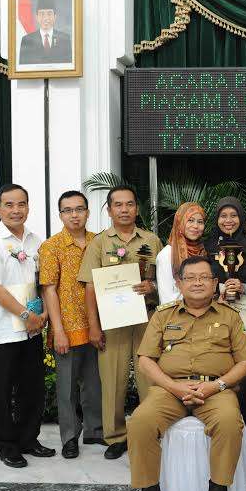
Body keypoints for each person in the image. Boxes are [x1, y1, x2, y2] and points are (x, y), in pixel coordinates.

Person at [128, 256, 246, 491]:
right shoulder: (163, 315)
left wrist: (216, 386)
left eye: (204, 277)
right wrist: (174, 387)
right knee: (140, 422)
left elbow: (245, 362)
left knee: (230, 422)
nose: (197, 283)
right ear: (179, 283)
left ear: (215, 283)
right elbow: (146, 359)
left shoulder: (230, 316)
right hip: (170, 389)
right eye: (191, 278)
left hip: (215, 389)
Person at [78, 185, 163, 460]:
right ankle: (116, 435)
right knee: (112, 380)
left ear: (137, 208)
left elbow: (166, 282)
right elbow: (90, 286)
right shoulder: (100, 243)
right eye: (118, 205)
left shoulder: (152, 240)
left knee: (148, 377)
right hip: (112, 321)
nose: (124, 209)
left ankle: (150, 430)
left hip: (146, 319)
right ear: (109, 209)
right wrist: (93, 325)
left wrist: (153, 287)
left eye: (129, 204)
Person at [0, 184, 54, 468]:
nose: (15, 210)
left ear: (28, 207)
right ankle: (7, 446)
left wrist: (42, 314)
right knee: (3, 391)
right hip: (2, 331)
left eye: (21, 204)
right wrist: (24, 315)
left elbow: (42, 282)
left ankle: (29, 439)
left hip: (31, 328)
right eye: (9, 205)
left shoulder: (35, 241)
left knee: (32, 388)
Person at [39, 191, 103, 459]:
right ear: (60, 215)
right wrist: (59, 331)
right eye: (68, 210)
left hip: (97, 324)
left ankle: (95, 430)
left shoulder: (99, 242)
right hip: (67, 326)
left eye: (79, 209)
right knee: (66, 388)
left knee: (95, 382)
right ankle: (69, 437)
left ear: (88, 212)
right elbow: (49, 290)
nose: (74, 215)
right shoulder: (51, 247)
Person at [203, 196, 246, 454]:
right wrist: (218, 288)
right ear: (216, 219)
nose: (228, 220)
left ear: (241, 217)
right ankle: (221, 428)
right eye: (223, 216)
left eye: (233, 215)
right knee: (221, 367)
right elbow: (198, 277)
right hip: (216, 313)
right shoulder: (207, 245)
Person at [155, 202, 207, 304]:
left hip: (203, 313)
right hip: (178, 315)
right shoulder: (167, 254)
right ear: (179, 222)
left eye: (200, 222)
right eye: (190, 220)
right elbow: (167, 298)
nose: (195, 226)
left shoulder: (203, 251)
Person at [19, 0, 72, 64]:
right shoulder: (27, 40)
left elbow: (69, 65)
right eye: (42, 14)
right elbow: (23, 67)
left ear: (55, 17)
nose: (46, 18)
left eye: (49, 14)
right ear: (37, 17)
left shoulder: (65, 39)